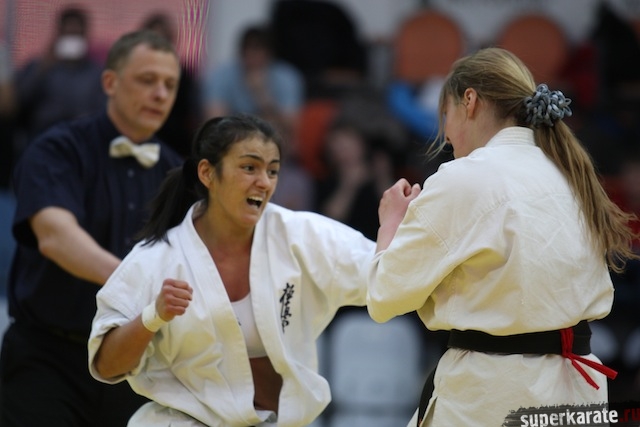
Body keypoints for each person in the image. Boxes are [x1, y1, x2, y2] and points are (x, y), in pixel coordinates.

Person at [366, 47, 638, 426]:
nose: (447, 134)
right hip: (576, 391)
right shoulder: (572, 174)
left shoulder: (462, 178)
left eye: (446, 115)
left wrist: (390, 225)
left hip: (491, 395)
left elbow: (384, 298)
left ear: (470, 101)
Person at [87, 113, 375, 426]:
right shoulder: (158, 259)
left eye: (273, 170)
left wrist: (394, 227)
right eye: (249, 167)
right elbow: (106, 365)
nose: (264, 182)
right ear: (207, 173)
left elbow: (381, 273)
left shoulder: (300, 235)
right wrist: (153, 316)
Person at [0, 30, 183, 426]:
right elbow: (55, 237)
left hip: (135, 366)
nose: (160, 94)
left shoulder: (178, 176)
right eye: (147, 80)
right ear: (110, 82)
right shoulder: (58, 148)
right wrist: (134, 281)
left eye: (170, 84)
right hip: (47, 360)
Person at [14, 6, 105, 147]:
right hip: (43, 138)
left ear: (85, 36)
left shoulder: (96, 72)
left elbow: (104, 109)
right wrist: (42, 68)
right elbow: (18, 101)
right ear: (59, 34)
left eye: (77, 35)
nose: (72, 40)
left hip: (84, 140)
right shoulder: (40, 66)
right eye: (68, 34)